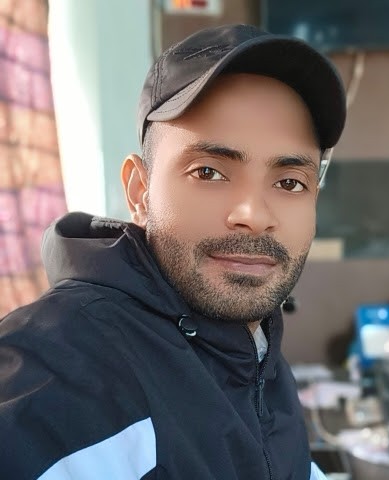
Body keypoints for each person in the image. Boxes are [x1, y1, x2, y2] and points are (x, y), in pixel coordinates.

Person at [0, 24, 346, 479]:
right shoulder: (57, 375)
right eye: (208, 173)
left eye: (289, 182)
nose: (254, 214)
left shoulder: (253, 345)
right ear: (139, 192)